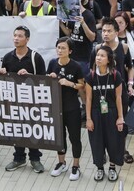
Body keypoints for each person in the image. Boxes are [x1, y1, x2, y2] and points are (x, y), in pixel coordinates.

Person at [0, 25, 47, 173]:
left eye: (20, 36)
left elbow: (43, 80)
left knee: (32, 130)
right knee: (17, 130)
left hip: (31, 102)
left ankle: (35, 159)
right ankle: (19, 158)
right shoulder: (7, 57)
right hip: (14, 101)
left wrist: (29, 75)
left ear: (27, 39)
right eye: (15, 35)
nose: (16, 39)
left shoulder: (35, 58)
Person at [85, 44, 125, 182]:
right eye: (97, 55)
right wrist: (88, 119)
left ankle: (112, 168)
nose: (98, 58)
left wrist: (120, 117)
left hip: (112, 112)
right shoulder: (90, 76)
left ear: (108, 59)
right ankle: (100, 168)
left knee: (113, 141)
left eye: (102, 56)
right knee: (96, 142)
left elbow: (119, 98)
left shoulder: (115, 75)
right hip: (96, 113)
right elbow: (88, 99)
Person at [47, 37, 85, 181]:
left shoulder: (76, 66)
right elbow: (46, 82)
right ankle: (61, 163)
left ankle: (76, 166)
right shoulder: (52, 63)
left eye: (63, 48)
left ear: (70, 51)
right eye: (58, 47)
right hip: (56, 107)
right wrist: (50, 77)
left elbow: (82, 85)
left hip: (72, 108)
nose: (60, 50)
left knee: (74, 138)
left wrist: (69, 83)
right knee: (59, 137)